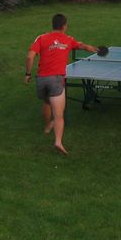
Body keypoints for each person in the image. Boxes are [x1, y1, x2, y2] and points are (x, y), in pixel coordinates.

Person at [25, 13, 98, 155]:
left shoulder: (41, 38)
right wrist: (91, 48)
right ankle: (58, 141)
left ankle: (47, 126)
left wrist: (27, 74)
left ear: (53, 25)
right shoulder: (68, 39)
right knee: (59, 115)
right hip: (56, 80)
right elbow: (81, 46)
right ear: (64, 26)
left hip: (41, 79)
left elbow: (29, 57)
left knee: (47, 102)